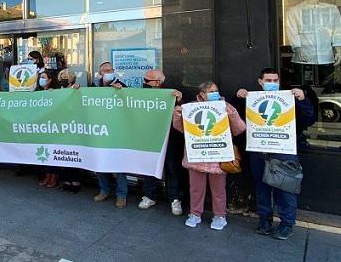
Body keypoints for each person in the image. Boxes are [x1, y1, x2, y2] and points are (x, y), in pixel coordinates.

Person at [233, 68, 315, 240]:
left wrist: (303, 99)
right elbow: (236, 119)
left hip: (284, 151)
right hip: (259, 152)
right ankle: (265, 220)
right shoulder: (252, 100)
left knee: (286, 189)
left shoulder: (290, 99)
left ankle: (287, 224)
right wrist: (237, 97)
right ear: (260, 82)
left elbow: (309, 119)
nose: (272, 83)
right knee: (261, 188)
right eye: (268, 80)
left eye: (275, 80)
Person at [173, 81, 246, 231]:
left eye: (216, 90)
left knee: (219, 190)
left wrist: (230, 113)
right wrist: (178, 114)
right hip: (196, 156)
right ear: (202, 95)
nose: (215, 93)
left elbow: (239, 128)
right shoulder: (191, 107)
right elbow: (180, 128)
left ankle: (220, 216)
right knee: (195, 189)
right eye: (210, 91)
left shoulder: (226, 107)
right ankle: (195, 214)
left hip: (219, 157)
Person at [137, 69, 186, 216]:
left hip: (169, 138)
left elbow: (183, 112)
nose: (144, 83)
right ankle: (149, 196)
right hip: (150, 137)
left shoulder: (171, 94)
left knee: (172, 169)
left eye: (147, 81)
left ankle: (174, 199)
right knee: (150, 166)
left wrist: (179, 100)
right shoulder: (141, 95)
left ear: (157, 83)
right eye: (144, 80)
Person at [92, 62, 128, 208]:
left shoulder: (122, 86)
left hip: (117, 131)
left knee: (119, 166)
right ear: (100, 73)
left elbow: (129, 105)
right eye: (105, 71)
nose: (108, 72)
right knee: (101, 163)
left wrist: (123, 92)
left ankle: (121, 195)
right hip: (100, 130)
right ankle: (104, 190)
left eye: (110, 70)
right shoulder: (94, 87)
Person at [57, 69, 82, 193]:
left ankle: (75, 183)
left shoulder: (76, 89)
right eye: (61, 76)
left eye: (66, 76)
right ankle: (67, 181)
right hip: (61, 126)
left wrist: (77, 88)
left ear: (72, 78)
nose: (63, 78)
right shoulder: (58, 91)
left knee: (73, 155)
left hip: (73, 126)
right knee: (64, 155)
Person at [36, 69, 61, 188]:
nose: (41, 79)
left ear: (50, 80)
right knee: (45, 153)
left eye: (44, 77)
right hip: (41, 127)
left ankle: (54, 177)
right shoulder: (38, 91)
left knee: (52, 152)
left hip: (52, 126)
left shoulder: (55, 92)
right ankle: (47, 176)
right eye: (40, 77)